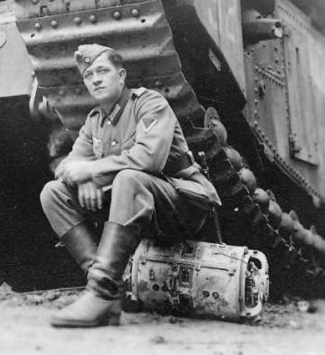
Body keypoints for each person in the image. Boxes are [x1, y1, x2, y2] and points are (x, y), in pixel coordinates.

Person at [40, 44, 220, 328]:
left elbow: (149, 159)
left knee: (129, 177)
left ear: (121, 75)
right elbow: (67, 167)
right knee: (53, 193)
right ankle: (104, 292)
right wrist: (87, 176)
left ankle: (100, 291)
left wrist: (90, 170)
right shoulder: (94, 121)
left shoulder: (149, 103)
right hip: (137, 206)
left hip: (182, 203)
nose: (96, 79)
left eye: (102, 71)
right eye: (89, 75)